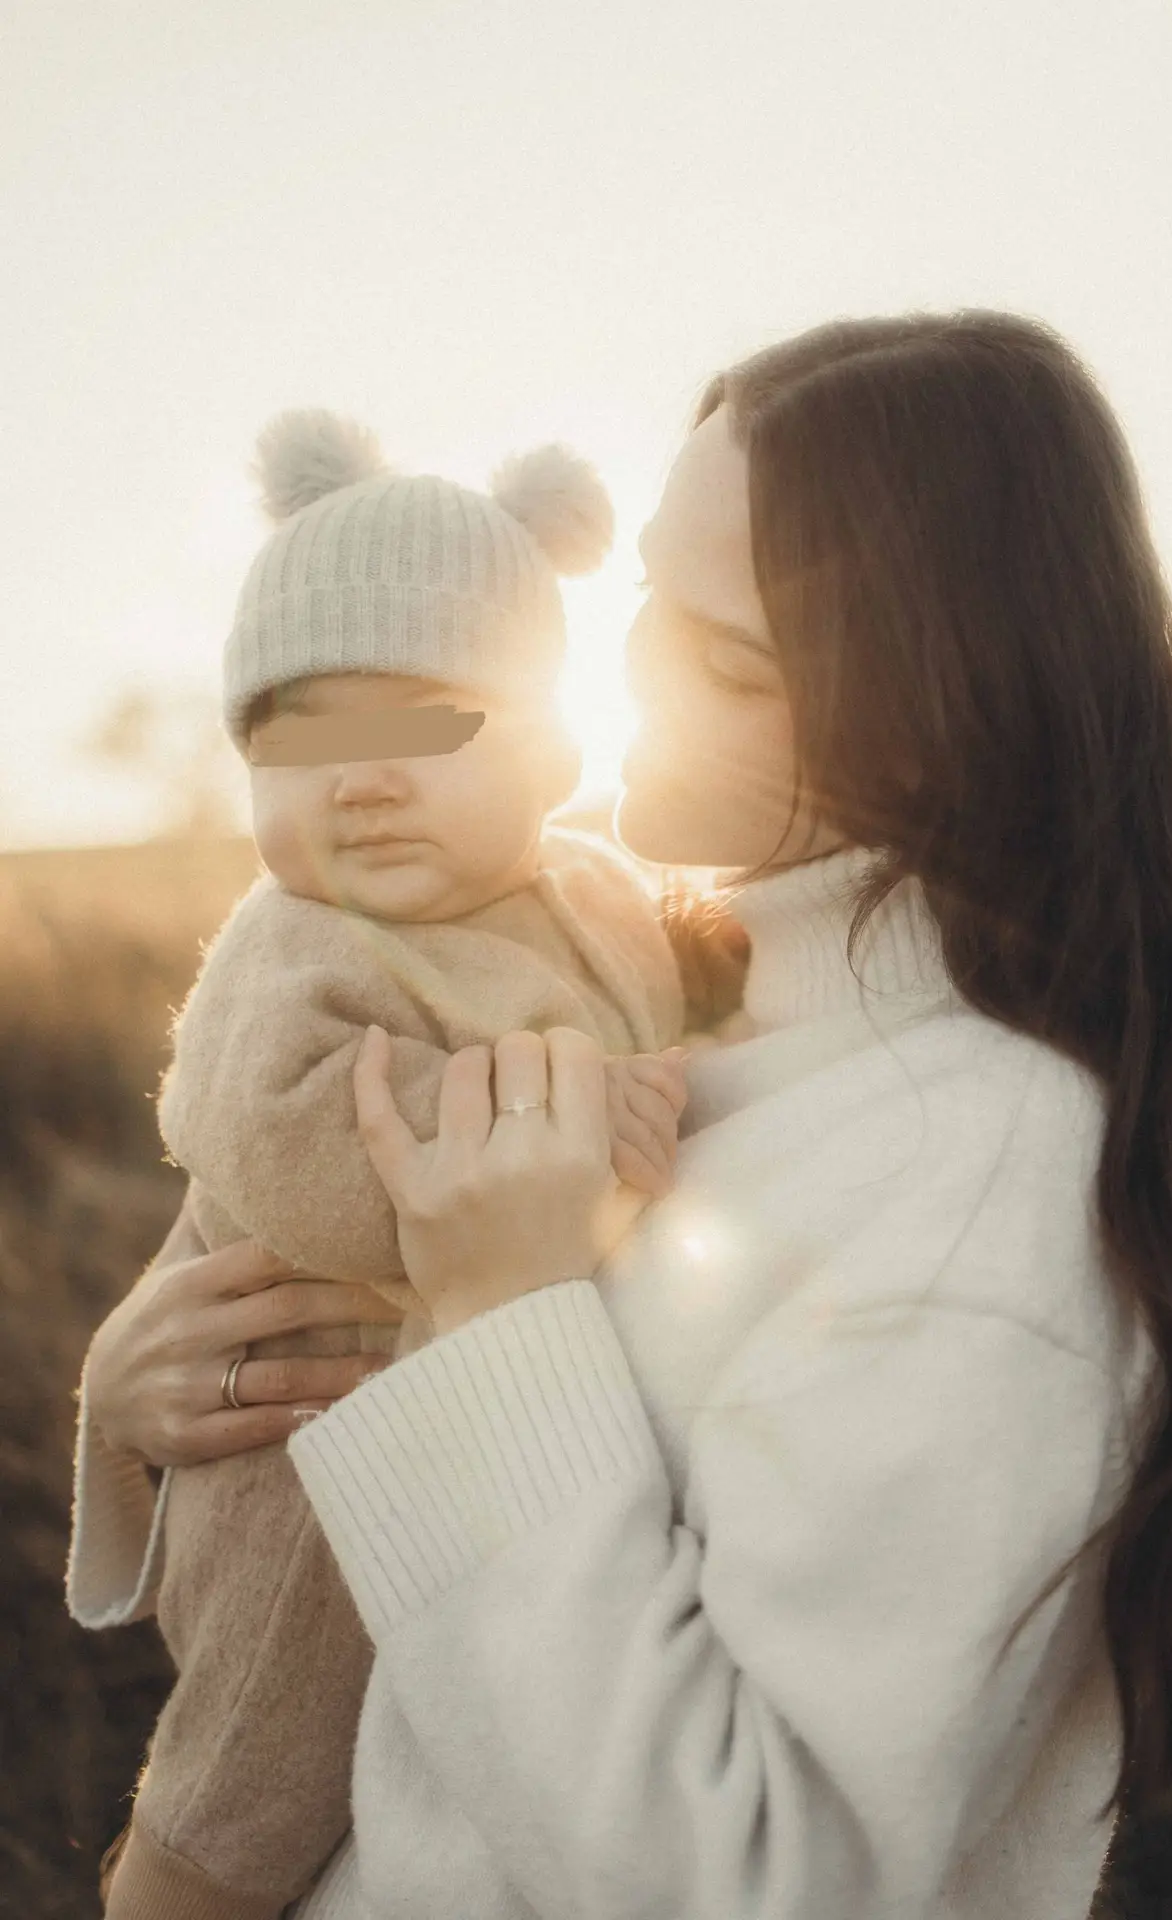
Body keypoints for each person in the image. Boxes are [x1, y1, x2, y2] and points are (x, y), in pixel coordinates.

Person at [71, 312, 1172, 1920]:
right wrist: (140, 1383)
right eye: (643, 591)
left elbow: (751, 1877)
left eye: (723, 656)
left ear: (921, 713)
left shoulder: (984, 1192)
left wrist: (506, 1305)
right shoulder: (701, 990)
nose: (628, 665)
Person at [70, 408, 689, 1920]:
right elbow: (303, 1143)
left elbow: (680, 1019)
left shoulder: (602, 897)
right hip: (302, 1440)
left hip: (474, 1413)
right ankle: (171, 1888)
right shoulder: (288, 948)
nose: (360, 779)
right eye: (301, 737)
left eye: (422, 722)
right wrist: (576, 1131)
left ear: (548, 750)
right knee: (262, 1758)